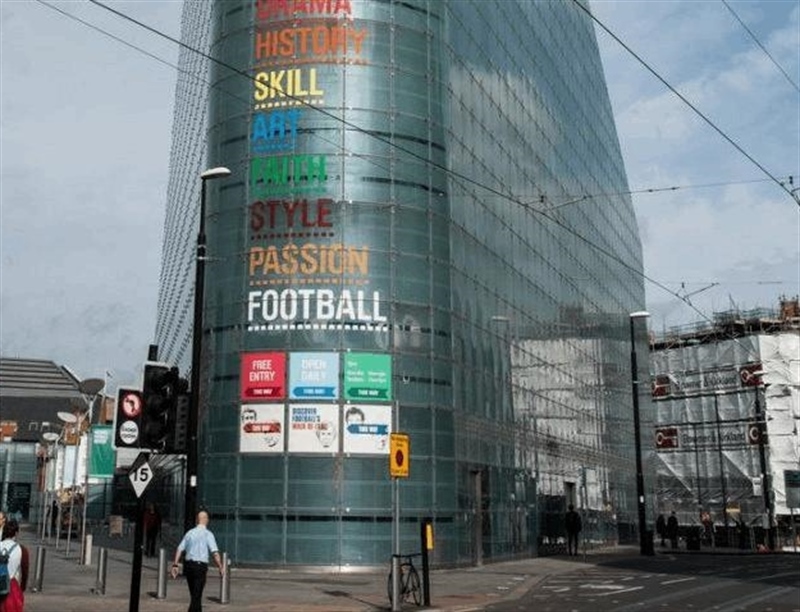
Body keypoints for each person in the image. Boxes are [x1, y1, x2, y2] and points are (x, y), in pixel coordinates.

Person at [172, 510, 224, 612]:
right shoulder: (208, 534)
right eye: (207, 518)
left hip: (189, 566)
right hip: (200, 567)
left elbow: (179, 549)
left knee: (195, 594)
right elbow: (215, 552)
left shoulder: (190, 533)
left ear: (197, 520)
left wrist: (175, 565)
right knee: (196, 596)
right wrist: (220, 566)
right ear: (205, 520)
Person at [0, 519, 27, 612]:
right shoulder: (22, 550)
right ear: (16, 533)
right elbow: (24, 573)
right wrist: (22, 588)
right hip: (11, 587)